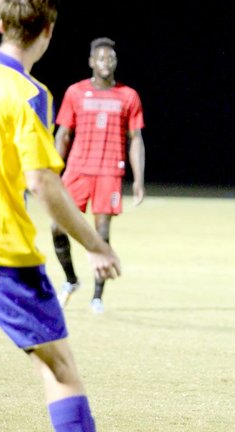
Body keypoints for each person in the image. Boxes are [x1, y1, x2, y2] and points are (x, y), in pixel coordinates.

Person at [0, 0, 122, 432]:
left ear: (0, 23)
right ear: (47, 32)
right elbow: (44, 183)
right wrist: (96, 245)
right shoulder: (28, 93)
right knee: (58, 367)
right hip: (3, 256)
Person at [51, 36, 145, 314]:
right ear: (92, 62)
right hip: (78, 170)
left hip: (108, 172)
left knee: (102, 235)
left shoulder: (128, 95)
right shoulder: (76, 92)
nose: (107, 62)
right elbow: (64, 134)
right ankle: (70, 280)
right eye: (101, 58)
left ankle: (97, 296)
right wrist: (54, 168)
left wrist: (139, 179)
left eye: (111, 58)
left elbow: (136, 138)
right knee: (57, 226)